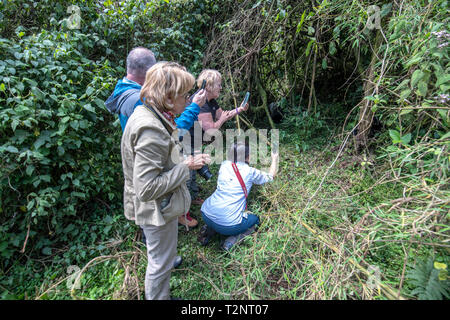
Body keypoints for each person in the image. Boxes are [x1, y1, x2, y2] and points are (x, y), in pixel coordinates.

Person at [121, 61, 211, 300]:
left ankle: (167, 263)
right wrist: (186, 166)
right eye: (184, 95)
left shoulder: (153, 112)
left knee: (162, 253)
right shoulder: (150, 130)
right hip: (156, 210)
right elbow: (146, 188)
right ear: (169, 98)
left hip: (162, 206)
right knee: (159, 263)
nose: (188, 99)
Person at [105, 47, 207, 229]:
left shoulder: (126, 92)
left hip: (149, 164)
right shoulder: (141, 101)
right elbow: (172, 131)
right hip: (155, 188)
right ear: (150, 73)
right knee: (155, 230)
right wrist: (193, 107)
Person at [186, 69, 249, 209]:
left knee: (195, 167)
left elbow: (223, 114)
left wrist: (240, 109)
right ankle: (184, 208)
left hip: (195, 140)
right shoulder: (200, 102)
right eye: (218, 85)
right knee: (188, 173)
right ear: (208, 85)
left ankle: (193, 196)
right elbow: (211, 130)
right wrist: (221, 120)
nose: (221, 88)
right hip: (186, 140)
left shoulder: (211, 100)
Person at [198, 141, 279, 251]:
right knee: (255, 220)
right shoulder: (250, 172)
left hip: (205, 213)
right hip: (229, 224)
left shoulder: (224, 164)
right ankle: (230, 241)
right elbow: (270, 177)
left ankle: (209, 230)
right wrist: (274, 159)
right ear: (247, 156)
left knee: (217, 217)